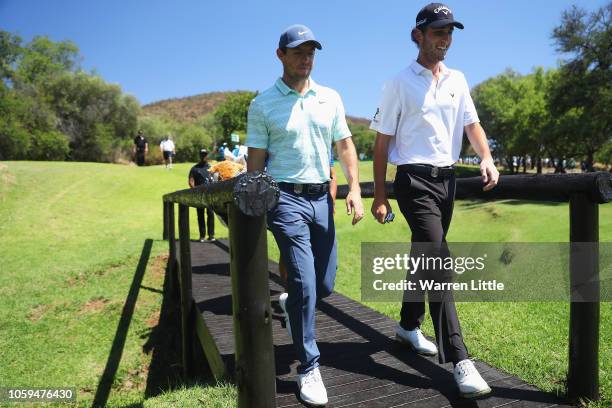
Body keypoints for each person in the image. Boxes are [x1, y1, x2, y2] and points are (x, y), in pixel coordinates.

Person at [370, 3, 499, 399]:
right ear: (418, 35)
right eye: (438, 31)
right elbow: (381, 143)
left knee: (424, 253)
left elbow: (470, 123)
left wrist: (486, 157)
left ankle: (408, 325)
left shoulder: (458, 79)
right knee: (438, 259)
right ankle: (460, 359)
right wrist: (378, 194)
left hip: (448, 183)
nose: (445, 39)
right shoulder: (398, 82)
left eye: (450, 32)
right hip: (413, 181)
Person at [246, 24, 364, 406]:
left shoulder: (330, 97)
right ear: (280, 55)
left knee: (324, 284)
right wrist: (258, 203)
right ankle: (309, 366)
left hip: (321, 201)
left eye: (311, 51)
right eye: (298, 52)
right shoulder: (262, 104)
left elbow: (345, 146)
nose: (305, 58)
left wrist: (355, 190)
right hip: (284, 202)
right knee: (304, 282)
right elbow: (255, 164)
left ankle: (291, 302)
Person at [189, 149, 215, 242]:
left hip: (210, 194)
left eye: (205, 154)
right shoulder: (194, 169)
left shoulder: (211, 168)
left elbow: (215, 179)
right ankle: (202, 236)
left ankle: (211, 235)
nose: (204, 156)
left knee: (210, 214)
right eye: (202, 154)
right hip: (199, 195)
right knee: (200, 215)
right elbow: (191, 181)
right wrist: (195, 189)